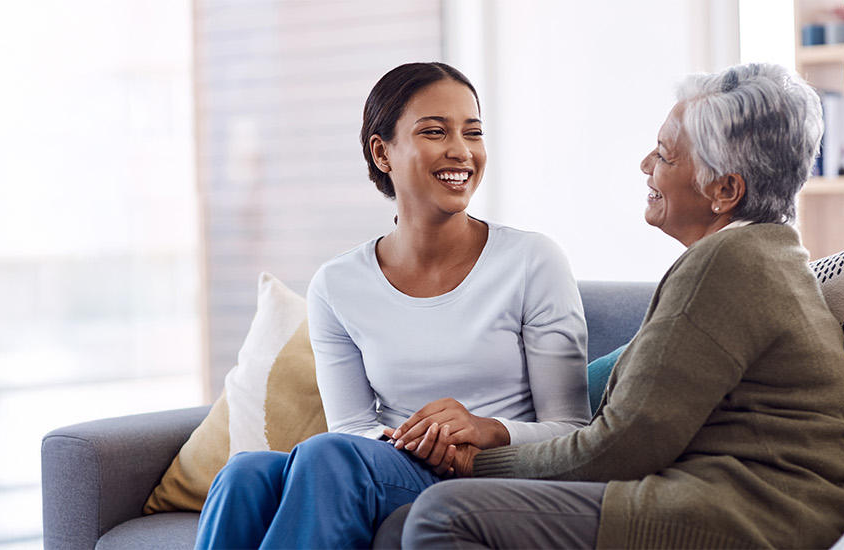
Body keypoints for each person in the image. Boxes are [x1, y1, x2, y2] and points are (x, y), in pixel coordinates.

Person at [398, 62, 844, 549]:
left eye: (665, 155)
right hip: (742, 502)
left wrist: (476, 463)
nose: (646, 164)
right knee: (399, 526)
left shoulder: (728, 265)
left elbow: (623, 446)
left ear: (724, 190)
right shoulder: (762, 255)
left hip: (753, 512)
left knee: (444, 513)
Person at [193, 62, 591, 549]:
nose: (461, 151)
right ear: (382, 152)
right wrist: (409, 441)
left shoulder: (532, 261)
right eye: (434, 131)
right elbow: (353, 427)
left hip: (489, 479)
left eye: (473, 133)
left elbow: (573, 432)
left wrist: (483, 430)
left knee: (328, 457)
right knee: (246, 472)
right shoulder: (338, 284)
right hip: (393, 465)